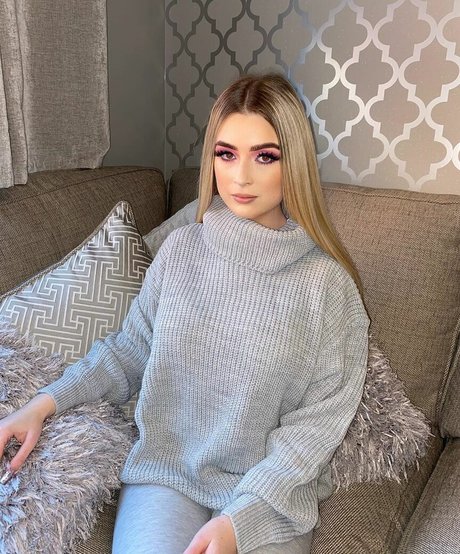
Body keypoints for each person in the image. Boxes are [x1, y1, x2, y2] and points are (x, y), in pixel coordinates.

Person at [0, 73, 370, 554]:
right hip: (167, 472)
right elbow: (129, 352)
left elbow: (316, 427)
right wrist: (42, 404)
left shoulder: (328, 287)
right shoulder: (180, 250)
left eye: (264, 156)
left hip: (267, 496)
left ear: (294, 163)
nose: (240, 176)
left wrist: (239, 522)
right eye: (226, 154)